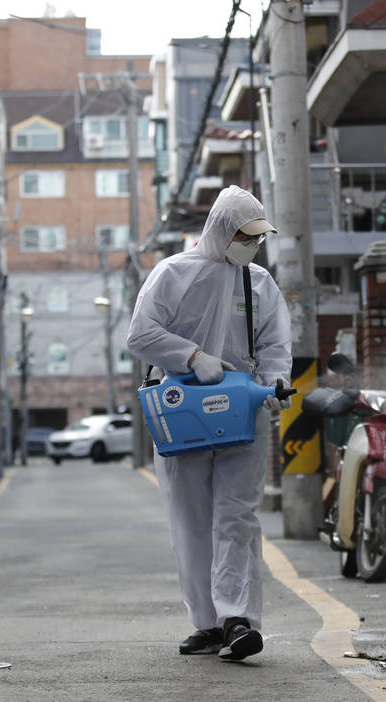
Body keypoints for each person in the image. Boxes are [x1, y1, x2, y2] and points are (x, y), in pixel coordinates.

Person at [127, 185, 292, 661]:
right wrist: (191, 356)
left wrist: (276, 383)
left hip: (242, 407)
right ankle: (207, 622)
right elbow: (140, 334)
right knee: (191, 519)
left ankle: (238, 618)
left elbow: (276, 343)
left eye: (257, 237)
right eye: (244, 234)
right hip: (181, 409)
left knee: (237, 514)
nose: (251, 244)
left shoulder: (258, 282)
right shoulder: (173, 274)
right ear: (221, 229)